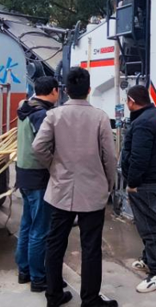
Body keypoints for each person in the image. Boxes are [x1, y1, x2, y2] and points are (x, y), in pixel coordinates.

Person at [32, 68, 118, 307]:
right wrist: (108, 183)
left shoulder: (54, 115)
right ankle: (90, 300)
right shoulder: (100, 117)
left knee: (55, 243)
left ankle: (54, 296)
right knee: (91, 247)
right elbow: (110, 157)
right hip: (93, 191)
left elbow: (38, 147)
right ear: (89, 90)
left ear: (66, 90)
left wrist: (54, 167)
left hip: (61, 190)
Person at [121, 85, 156, 293]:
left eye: (127, 101)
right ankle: (149, 259)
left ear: (132, 101)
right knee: (147, 223)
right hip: (153, 180)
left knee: (150, 226)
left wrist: (132, 183)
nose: (126, 104)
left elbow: (139, 158)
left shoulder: (143, 123)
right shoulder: (154, 116)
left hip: (144, 183)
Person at [15, 76, 59, 292]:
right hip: (38, 177)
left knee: (27, 225)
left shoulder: (25, 107)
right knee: (40, 230)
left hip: (23, 174)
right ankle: (38, 278)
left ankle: (24, 271)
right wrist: (54, 165)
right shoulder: (41, 115)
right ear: (53, 91)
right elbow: (42, 147)